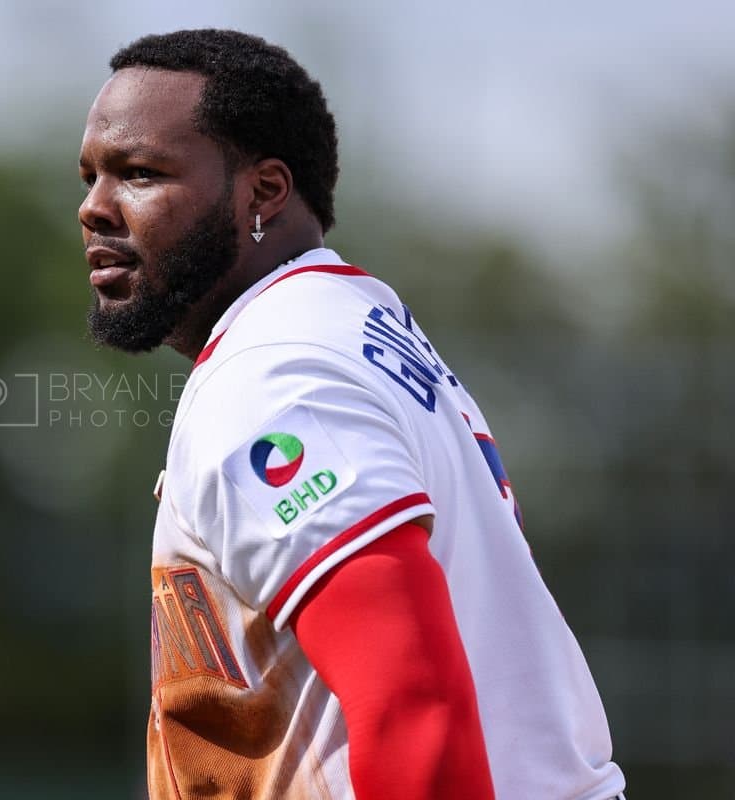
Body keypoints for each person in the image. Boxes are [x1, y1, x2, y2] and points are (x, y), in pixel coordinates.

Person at [77, 28, 625, 800]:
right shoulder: (346, 322)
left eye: (139, 173)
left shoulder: (273, 372)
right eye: (90, 176)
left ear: (265, 192)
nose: (94, 208)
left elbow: (413, 707)